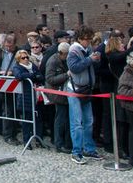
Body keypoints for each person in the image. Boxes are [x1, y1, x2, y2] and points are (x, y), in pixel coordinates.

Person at [66, 26, 104, 164]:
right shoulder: (73, 50)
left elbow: (90, 66)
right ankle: (76, 151)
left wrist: (96, 59)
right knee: (77, 122)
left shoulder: (87, 49)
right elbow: (74, 68)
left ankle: (89, 149)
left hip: (86, 89)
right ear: (80, 39)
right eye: (87, 39)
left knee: (89, 121)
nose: (89, 42)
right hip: (75, 89)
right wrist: (90, 60)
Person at [12, 49, 46, 148]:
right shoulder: (17, 67)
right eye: (23, 58)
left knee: (38, 119)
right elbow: (19, 76)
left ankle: (39, 140)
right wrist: (32, 75)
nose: (26, 59)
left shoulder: (32, 65)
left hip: (36, 96)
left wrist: (32, 76)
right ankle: (27, 141)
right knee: (27, 121)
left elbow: (40, 76)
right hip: (25, 97)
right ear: (19, 59)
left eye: (27, 57)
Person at [45, 42, 72, 153]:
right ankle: (59, 144)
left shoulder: (63, 59)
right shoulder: (53, 61)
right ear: (61, 53)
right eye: (66, 54)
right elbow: (50, 79)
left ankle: (66, 143)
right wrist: (66, 75)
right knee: (60, 119)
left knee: (65, 119)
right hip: (58, 93)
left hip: (64, 92)